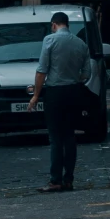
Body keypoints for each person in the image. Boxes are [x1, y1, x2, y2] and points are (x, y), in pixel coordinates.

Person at [31, 11, 93, 192]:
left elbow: (42, 70)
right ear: (68, 24)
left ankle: (55, 180)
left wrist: (36, 95)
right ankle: (69, 180)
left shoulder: (49, 41)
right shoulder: (81, 44)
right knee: (69, 136)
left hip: (54, 93)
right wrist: (74, 78)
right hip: (74, 91)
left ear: (53, 25)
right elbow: (87, 73)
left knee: (56, 138)